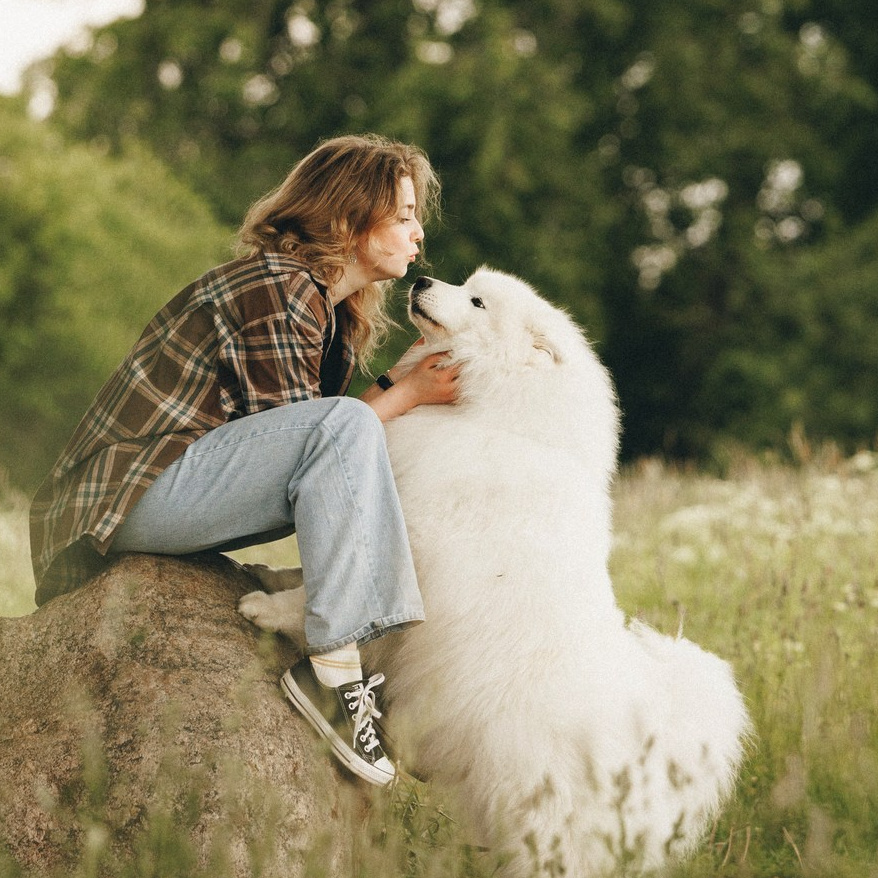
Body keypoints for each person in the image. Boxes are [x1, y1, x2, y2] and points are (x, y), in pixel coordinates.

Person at [29, 133, 457, 786]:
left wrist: (405, 384)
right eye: (403, 216)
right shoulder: (280, 286)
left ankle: (357, 653)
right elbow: (307, 442)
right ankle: (334, 673)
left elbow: (313, 442)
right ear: (347, 218)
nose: (418, 233)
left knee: (348, 429)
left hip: (160, 494)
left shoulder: (321, 309)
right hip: (122, 501)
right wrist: (405, 394)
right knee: (345, 430)